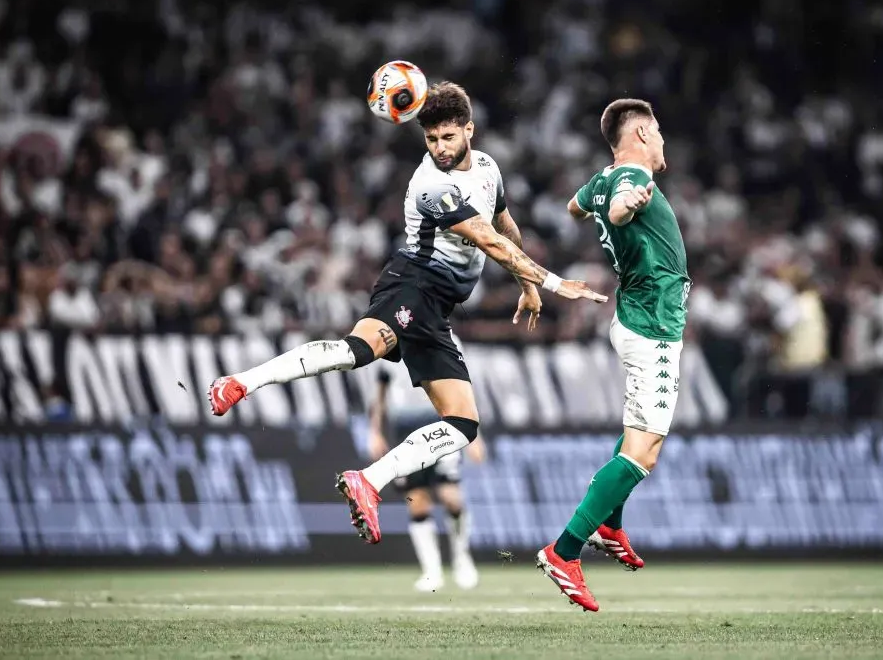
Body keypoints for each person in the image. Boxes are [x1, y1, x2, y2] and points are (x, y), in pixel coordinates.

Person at [207, 81, 607, 546]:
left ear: (469, 131)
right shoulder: (429, 186)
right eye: (431, 139)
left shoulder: (489, 168)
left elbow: (505, 224)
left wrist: (526, 287)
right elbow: (489, 242)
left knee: (463, 424)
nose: (439, 148)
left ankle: (369, 482)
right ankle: (240, 383)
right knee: (358, 351)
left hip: (437, 308)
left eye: (448, 138)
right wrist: (554, 283)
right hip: (412, 284)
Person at [535, 98, 690, 612]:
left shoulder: (602, 180)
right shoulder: (630, 183)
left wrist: (603, 197)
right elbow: (622, 204)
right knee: (643, 452)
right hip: (652, 328)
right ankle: (564, 551)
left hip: (634, 320)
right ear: (643, 134)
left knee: (634, 438)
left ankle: (609, 523)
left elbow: (574, 207)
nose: (663, 141)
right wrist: (628, 202)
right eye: (660, 132)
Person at [368, 344, 484, 591]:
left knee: (450, 496)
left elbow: (463, 387)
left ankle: (462, 559)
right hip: (404, 426)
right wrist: (375, 431)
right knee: (417, 500)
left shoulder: (445, 335)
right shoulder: (390, 339)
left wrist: (477, 435)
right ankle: (432, 571)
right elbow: (380, 390)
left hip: (442, 421)